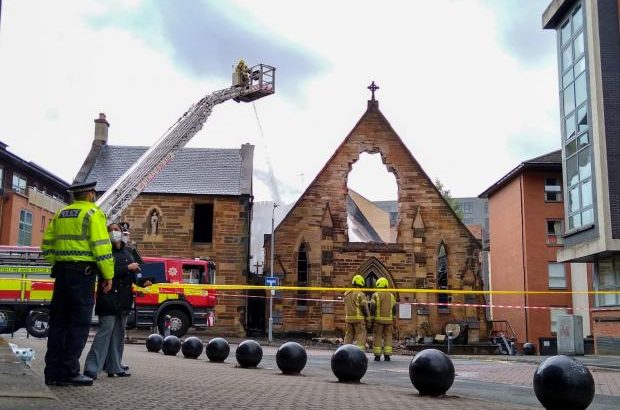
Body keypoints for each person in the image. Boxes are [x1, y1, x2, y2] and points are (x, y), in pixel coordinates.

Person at [41, 181, 114, 386]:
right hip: (83, 275)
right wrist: (108, 276)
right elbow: (101, 247)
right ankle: (69, 371)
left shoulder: (61, 214)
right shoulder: (93, 213)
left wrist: (59, 261)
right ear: (90, 194)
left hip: (62, 274)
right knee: (78, 323)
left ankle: (52, 372)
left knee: (58, 323)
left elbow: (46, 246)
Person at [84, 223, 139, 379]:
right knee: (105, 332)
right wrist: (127, 269)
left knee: (119, 334)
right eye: (111, 230)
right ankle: (92, 367)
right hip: (108, 296)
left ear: (122, 233)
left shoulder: (129, 251)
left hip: (124, 297)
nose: (114, 232)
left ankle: (115, 366)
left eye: (117, 230)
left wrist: (142, 280)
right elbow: (104, 271)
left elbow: (134, 273)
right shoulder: (104, 250)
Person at [369, 277, 397, 361]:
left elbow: (372, 307)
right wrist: (393, 318)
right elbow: (394, 308)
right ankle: (387, 355)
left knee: (377, 336)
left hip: (378, 320)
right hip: (389, 321)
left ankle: (377, 356)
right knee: (388, 336)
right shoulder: (391, 295)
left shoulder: (375, 295)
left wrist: (371, 318)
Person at [343, 274, 370, 350]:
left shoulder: (346, 293)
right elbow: (365, 308)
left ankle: (345, 352)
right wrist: (368, 319)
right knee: (361, 335)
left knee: (348, 335)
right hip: (359, 319)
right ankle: (359, 353)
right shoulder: (360, 294)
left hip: (348, 319)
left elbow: (345, 304)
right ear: (361, 283)